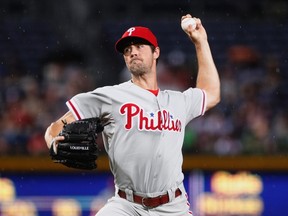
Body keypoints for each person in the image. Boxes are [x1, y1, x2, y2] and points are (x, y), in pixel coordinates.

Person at [44, 14, 220, 216]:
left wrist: (200, 42)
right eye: (127, 50)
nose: (132, 52)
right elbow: (56, 126)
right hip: (126, 205)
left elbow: (211, 93)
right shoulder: (110, 96)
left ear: (156, 52)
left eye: (139, 46)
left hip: (173, 206)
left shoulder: (177, 101)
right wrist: (53, 142)